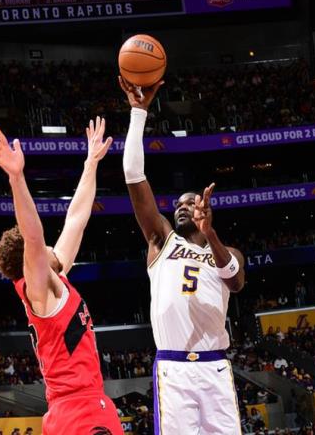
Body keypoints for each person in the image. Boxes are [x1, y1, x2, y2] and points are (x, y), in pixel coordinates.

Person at [119, 77, 246, 434]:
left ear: (207, 208)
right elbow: (133, 174)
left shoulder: (228, 251)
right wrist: (138, 114)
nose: (181, 207)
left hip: (215, 366)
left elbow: (235, 282)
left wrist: (211, 235)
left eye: (190, 202)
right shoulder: (162, 240)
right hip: (174, 368)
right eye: (177, 204)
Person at [0, 121, 123, 435]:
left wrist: (91, 163)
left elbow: (76, 219)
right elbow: (33, 236)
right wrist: (17, 178)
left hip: (76, 407)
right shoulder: (40, 291)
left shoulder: (55, 282)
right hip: (79, 411)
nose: (51, 246)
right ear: (31, 260)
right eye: (43, 248)